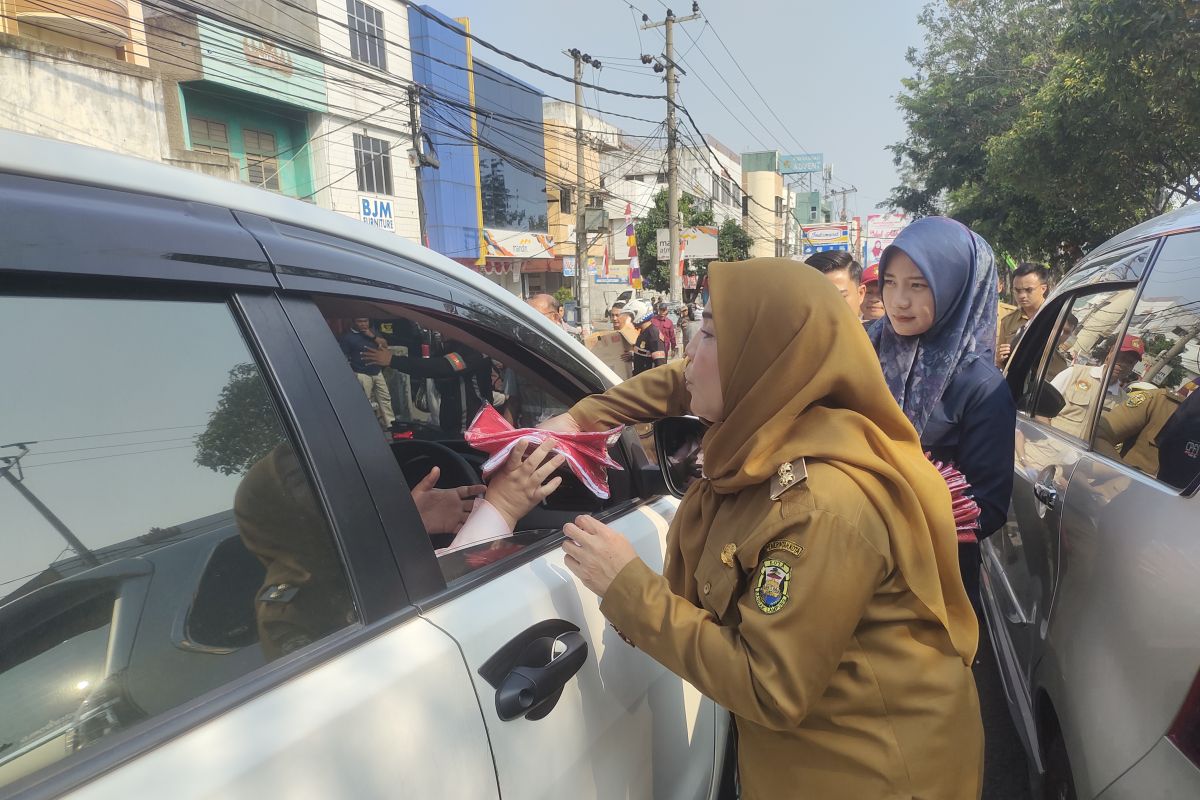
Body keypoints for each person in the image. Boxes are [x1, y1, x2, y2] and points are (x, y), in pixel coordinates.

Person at [541, 258, 983, 798]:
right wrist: (578, 421)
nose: (685, 362)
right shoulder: (778, 421)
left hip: (870, 774)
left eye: (705, 334)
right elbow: (680, 384)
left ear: (760, 364)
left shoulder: (819, 505)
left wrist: (628, 587)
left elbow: (770, 686)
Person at [235, 438, 563, 660]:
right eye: (298, 480)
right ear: (273, 517)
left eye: (317, 470)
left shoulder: (332, 563)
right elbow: (437, 615)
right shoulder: (285, 614)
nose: (323, 483)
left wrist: (399, 529)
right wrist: (502, 508)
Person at [868, 216, 1016, 603]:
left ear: (956, 289)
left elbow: (987, 507)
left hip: (930, 580)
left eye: (918, 285)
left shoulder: (982, 387)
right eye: (890, 282)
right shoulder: (860, 350)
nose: (899, 301)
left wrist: (896, 514)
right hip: (845, 558)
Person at [364, 337, 495, 434]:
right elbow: (426, 365)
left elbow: (440, 367)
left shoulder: (474, 349)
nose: (439, 332)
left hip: (473, 428)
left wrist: (393, 360)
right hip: (451, 425)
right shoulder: (449, 347)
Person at [1048, 335, 1145, 438]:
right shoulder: (1075, 373)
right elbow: (1040, 405)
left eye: (1130, 362)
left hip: (1083, 453)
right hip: (1048, 445)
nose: (1124, 364)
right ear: (1111, 352)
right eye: (1122, 357)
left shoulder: (1123, 402)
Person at [339, 317, 396, 430]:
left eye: (366, 321)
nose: (363, 324)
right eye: (360, 321)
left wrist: (373, 336)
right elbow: (343, 356)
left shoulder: (373, 333)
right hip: (361, 372)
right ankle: (365, 426)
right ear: (354, 322)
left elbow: (385, 345)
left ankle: (391, 424)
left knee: (385, 398)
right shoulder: (348, 338)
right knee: (365, 402)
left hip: (376, 371)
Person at [997, 263, 1050, 367]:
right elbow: (1001, 363)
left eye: (1028, 290)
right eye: (1017, 290)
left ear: (1043, 289)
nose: (1022, 296)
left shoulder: (1056, 314)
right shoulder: (1007, 321)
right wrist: (1000, 359)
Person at [805, 250, 865, 318]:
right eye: (818, 300)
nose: (829, 308)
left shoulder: (875, 328)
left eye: (839, 297)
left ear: (860, 294)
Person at [618, 300, 666, 375]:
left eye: (632, 316)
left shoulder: (653, 334)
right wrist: (634, 356)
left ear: (640, 314)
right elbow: (647, 354)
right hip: (639, 379)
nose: (630, 320)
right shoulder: (643, 332)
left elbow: (661, 366)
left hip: (647, 383)